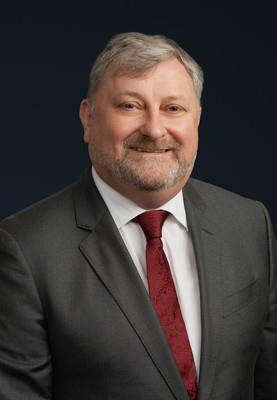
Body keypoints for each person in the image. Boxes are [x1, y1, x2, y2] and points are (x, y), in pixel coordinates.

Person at [0, 32, 276, 400]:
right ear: (88, 118)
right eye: (130, 106)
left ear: (197, 119)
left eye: (173, 108)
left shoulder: (248, 223)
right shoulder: (25, 249)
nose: (154, 129)